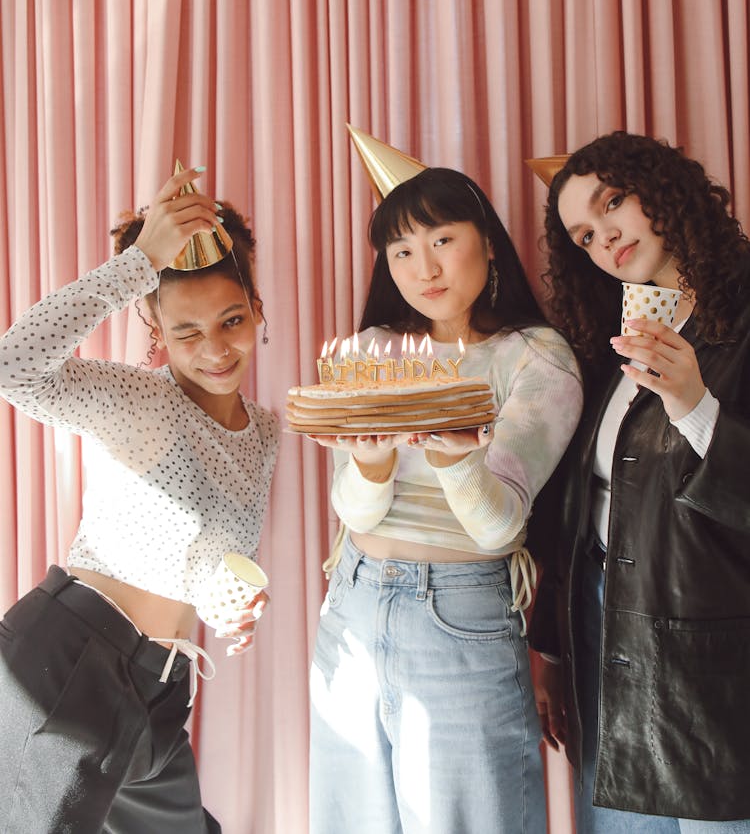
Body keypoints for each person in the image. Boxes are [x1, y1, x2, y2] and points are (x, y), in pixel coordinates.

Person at [0, 166, 279, 833]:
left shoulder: (265, 431)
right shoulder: (137, 400)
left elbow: (201, 567)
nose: (215, 349)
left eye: (232, 320)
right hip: (71, 667)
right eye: (187, 331)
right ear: (153, 320)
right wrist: (138, 264)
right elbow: (12, 365)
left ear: (257, 306)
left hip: (161, 689)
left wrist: (230, 607)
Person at [308, 166, 582, 834]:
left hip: (461, 614)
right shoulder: (373, 352)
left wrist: (457, 454)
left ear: (487, 242)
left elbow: (497, 526)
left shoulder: (536, 358)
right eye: (401, 251)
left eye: (441, 239)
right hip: (352, 605)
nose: (422, 267)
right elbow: (354, 511)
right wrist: (371, 464)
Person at [528, 130, 750, 831]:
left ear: (661, 187)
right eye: (585, 233)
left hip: (708, 652)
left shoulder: (742, 314)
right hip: (604, 624)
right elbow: (585, 500)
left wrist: (693, 403)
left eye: (613, 201)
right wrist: (556, 647)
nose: (605, 236)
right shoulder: (614, 341)